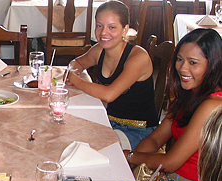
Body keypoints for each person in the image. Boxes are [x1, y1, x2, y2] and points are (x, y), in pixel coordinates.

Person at [124, 28, 222, 181]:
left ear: (213, 66)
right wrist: (134, 165)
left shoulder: (212, 106)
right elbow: (155, 140)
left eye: (193, 63)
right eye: (179, 59)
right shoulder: (189, 96)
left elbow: (170, 162)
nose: (183, 68)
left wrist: (131, 156)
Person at [66, 0, 157, 149]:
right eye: (99, 26)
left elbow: (109, 95)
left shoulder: (138, 57)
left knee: (89, 147)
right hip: (109, 120)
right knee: (68, 133)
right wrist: (73, 70)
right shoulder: (99, 50)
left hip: (138, 131)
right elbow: (77, 62)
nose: (103, 33)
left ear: (125, 29)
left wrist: (75, 80)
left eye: (112, 27)